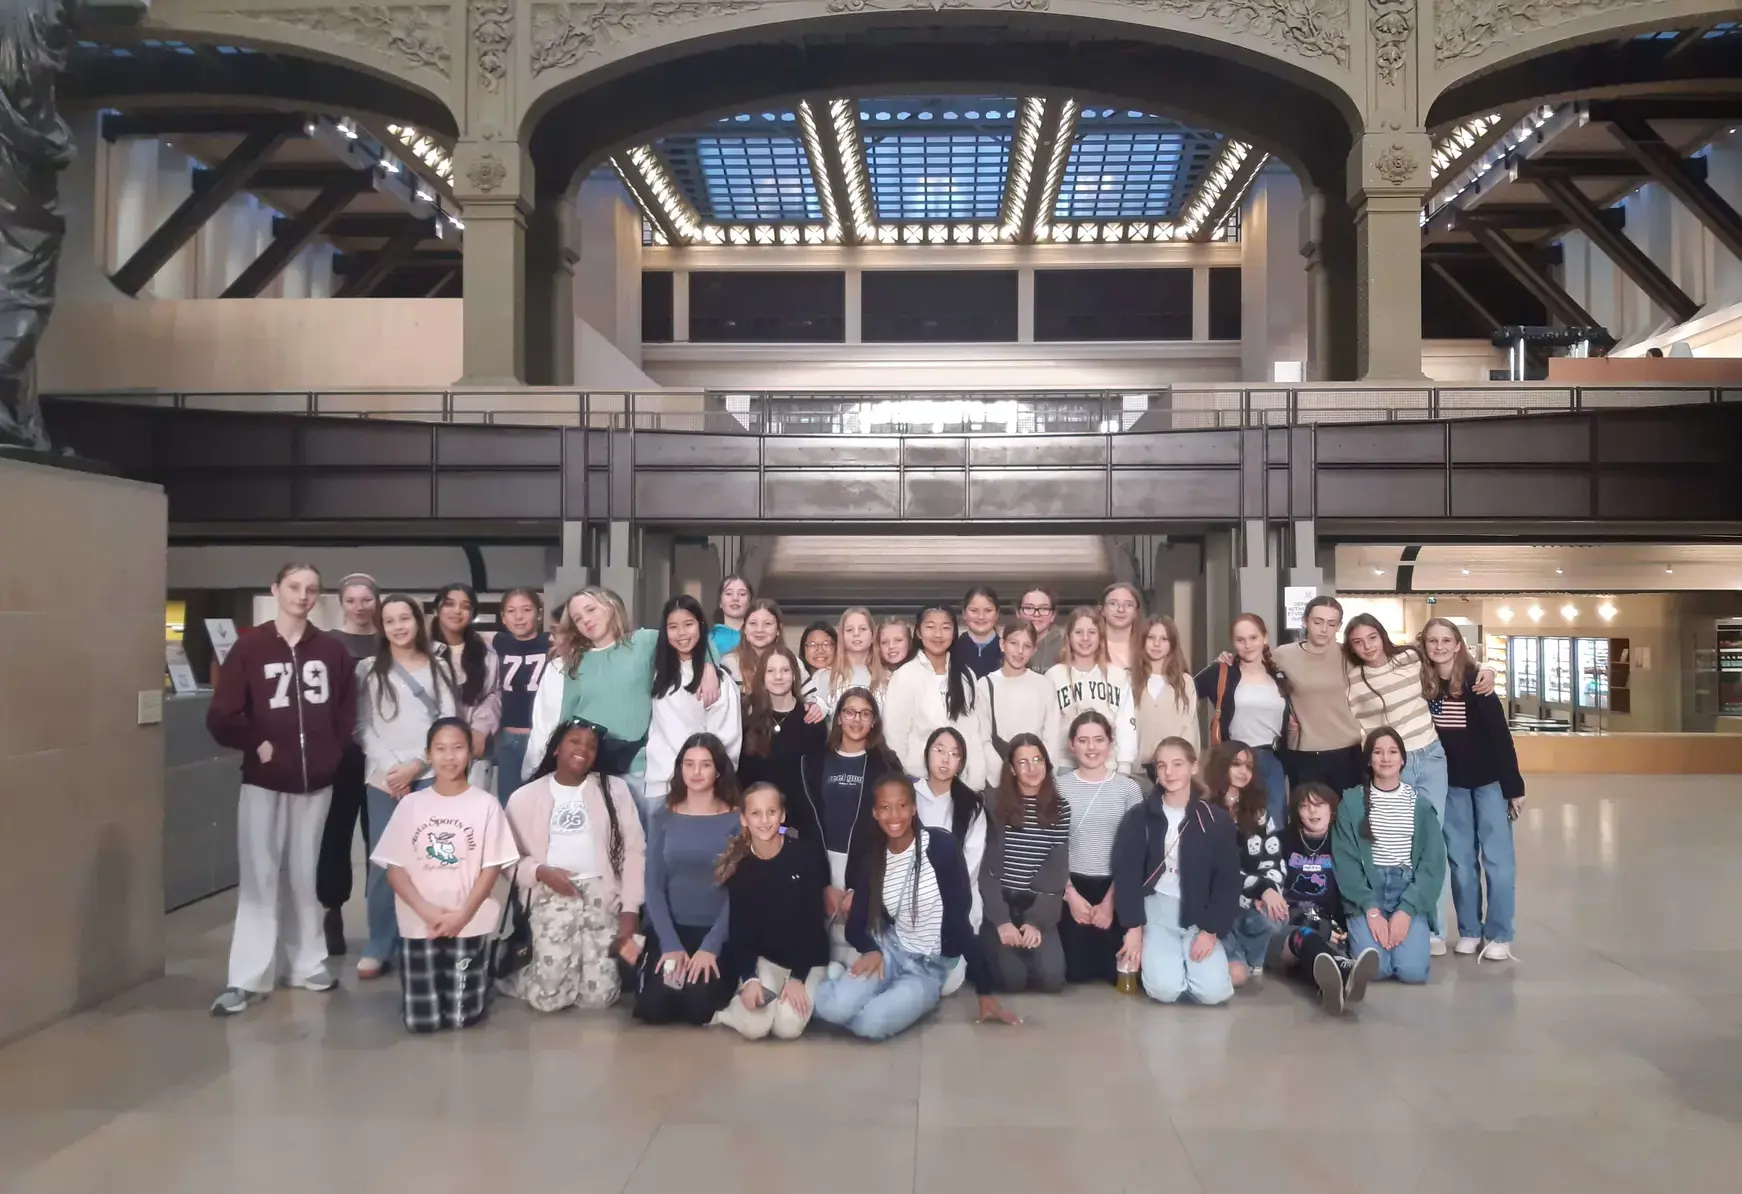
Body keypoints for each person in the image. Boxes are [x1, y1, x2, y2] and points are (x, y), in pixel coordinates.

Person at [207, 563, 359, 1016]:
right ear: (276, 590)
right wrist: (258, 743)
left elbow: (346, 711)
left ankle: (305, 962)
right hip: (265, 781)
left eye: (311, 589)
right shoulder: (250, 647)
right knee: (260, 876)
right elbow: (222, 714)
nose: (302, 595)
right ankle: (248, 975)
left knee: (303, 874)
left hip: (317, 783)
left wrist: (331, 753)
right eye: (294, 587)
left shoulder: (331, 650)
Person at [814, 776, 1020, 1039]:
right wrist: (871, 949)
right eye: (885, 808)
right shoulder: (873, 860)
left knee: (870, 1026)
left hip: (929, 969)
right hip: (891, 950)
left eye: (901, 806)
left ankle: (886, 995)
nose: (894, 816)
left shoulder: (941, 848)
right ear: (875, 813)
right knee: (834, 1010)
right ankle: (839, 982)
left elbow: (959, 922)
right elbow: (855, 926)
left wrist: (984, 992)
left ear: (913, 808)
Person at [370, 718, 520, 1032]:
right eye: (440, 749)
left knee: (461, 1018)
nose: (449, 757)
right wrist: (425, 911)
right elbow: (394, 869)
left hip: (467, 922)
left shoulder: (486, 805)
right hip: (419, 923)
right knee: (422, 1022)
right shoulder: (410, 805)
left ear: (470, 754)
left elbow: (491, 868)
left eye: (457, 748)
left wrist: (462, 914)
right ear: (428, 754)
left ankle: (475, 980)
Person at [524, 587, 720, 808]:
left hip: (639, 766)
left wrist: (709, 667)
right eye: (578, 618)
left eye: (590, 610)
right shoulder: (574, 662)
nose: (586, 620)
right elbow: (565, 719)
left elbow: (696, 640)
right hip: (593, 766)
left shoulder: (644, 642)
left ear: (610, 605)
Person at [502, 719, 646, 1012]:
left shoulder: (614, 789)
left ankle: (581, 970)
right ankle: (522, 975)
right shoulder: (525, 797)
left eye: (591, 746)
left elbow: (635, 851)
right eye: (575, 742)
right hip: (550, 893)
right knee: (548, 999)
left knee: (599, 999)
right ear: (557, 748)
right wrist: (541, 872)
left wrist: (630, 911)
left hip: (602, 894)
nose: (583, 750)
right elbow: (507, 859)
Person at [354, 594, 460, 980]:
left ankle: (424, 938)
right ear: (381, 627)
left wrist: (418, 765)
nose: (399, 626)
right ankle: (379, 944)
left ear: (418, 622)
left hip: (430, 778)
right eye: (390, 620)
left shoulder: (439, 667)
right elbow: (362, 726)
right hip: (383, 781)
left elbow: (449, 722)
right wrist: (392, 770)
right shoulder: (368, 670)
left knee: (431, 862)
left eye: (405, 618)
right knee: (385, 864)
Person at [1343, 613, 1452, 949]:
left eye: (1372, 638)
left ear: (1382, 635)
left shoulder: (1410, 657)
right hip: (1394, 764)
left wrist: (1486, 671)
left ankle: (1435, 927)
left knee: (1432, 843)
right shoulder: (1351, 677)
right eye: (1358, 642)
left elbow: (1450, 669)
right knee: (1402, 846)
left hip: (1431, 757)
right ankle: (1401, 918)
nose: (1366, 647)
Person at [1421, 617, 1524, 961]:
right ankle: (1469, 929)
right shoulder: (1423, 684)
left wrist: (1514, 786)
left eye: (1446, 640)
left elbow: (1501, 738)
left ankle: (1499, 935)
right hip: (1451, 787)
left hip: (1489, 784)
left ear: (1458, 644)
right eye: (1432, 641)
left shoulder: (1477, 683)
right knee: (1461, 862)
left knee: (1498, 861)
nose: (1439, 647)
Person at [1112, 736, 1239, 1006]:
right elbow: (1127, 875)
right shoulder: (1139, 817)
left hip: (1198, 916)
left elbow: (1227, 882)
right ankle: (1171, 963)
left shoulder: (1216, 819)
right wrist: (1134, 928)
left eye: (1177, 764)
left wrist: (1210, 931)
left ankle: (1217, 966)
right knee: (1165, 991)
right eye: (1162, 766)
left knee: (1213, 994)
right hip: (1157, 913)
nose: (1169, 773)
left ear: (1193, 767)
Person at [634, 734, 741, 1026]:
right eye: (689, 764)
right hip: (673, 932)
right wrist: (670, 943)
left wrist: (711, 946)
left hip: (717, 934)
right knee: (656, 1009)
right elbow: (653, 887)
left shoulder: (737, 820)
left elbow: (740, 893)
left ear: (718, 770)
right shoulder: (663, 817)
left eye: (705, 765)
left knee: (697, 1008)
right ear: (680, 768)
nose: (696, 772)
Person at [711, 783, 830, 1040]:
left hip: (807, 961)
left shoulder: (804, 855)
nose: (765, 820)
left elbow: (812, 924)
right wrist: (751, 978)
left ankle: (812, 985)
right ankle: (729, 1009)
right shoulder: (742, 868)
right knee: (756, 1028)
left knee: (787, 1028)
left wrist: (798, 977)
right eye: (756, 813)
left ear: (782, 815)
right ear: (744, 819)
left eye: (771, 812)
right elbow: (740, 930)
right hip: (766, 961)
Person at [1333, 727, 1447, 985]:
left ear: (1403, 759)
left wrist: (1406, 911)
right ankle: (1353, 938)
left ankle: (1406, 930)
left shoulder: (1420, 805)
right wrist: (1371, 910)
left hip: (1405, 890)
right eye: (1378, 752)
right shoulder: (1351, 803)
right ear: (1370, 760)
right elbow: (1346, 861)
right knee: (1377, 970)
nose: (1386, 758)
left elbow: (1433, 864)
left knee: (1412, 972)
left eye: (1393, 752)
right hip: (1368, 891)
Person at [796, 686, 900, 963]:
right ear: (839, 718)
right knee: (821, 957)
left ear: (874, 722)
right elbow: (802, 828)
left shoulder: (886, 764)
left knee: (858, 954)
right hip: (822, 863)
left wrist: (861, 887)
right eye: (850, 712)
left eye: (866, 714)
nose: (857, 720)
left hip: (867, 866)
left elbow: (893, 832)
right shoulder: (814, 762)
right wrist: (821, 884)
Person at [1271, 781, 1381, 1015]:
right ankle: (1346, 971)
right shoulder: (1280, 841)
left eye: (1319, 805)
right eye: (1304, 806)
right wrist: (1312, 924)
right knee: (1307, 937)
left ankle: (1332, 988)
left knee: (1321, 958)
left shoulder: (1343, 843)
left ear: (1332, 808)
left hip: (1331, 929)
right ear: (1296, 811)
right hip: (1287, 926)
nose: (1312, 811)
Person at [1056, 711, 1144, 984]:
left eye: (1098, 740)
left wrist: (1110, 902)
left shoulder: (1128, 789)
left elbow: (1135, 853)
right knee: (1074, 973)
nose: (1091, 748)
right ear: (1072, 745)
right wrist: (1070, 896)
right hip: (1072, 886)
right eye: (1083, 740)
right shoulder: (1058, 787)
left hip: (1115, 886)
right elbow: (1052, 848)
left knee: (1115, 972)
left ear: (1110, 743)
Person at [979, 734, 1071, 993]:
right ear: (1011, 769)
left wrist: (1036, 921)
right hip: (1001, 901)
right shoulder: (993, 804)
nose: (1032, 768)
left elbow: (1056, 872)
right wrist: (1001, 920)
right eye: (1023, 762)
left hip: (1037, 901)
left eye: (1037, 760)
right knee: (1012, 981)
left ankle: (1031, 949)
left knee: (1052, 980)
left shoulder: (1060, 808)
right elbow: (985, 869)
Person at [317, 572, 378, 957]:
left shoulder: (387, 640)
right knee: (335, 836)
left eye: (366, 599)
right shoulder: (328, 644)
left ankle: (381, 919)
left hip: (382, 755)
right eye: (352, 600)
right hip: (342, 754)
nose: (359, 607)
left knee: (381, 840)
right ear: (342, 602)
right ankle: (332, 909)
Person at [884, 603, 1000, 789]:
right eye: (930, 627)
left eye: (945, 627)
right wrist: (906, 783)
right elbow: (895, 738)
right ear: (919, 633)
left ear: (954, 633)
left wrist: (976, 783)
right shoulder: (905, 676)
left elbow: (973, 733)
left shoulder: (965, 675)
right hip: (918, 782)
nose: (938, 634)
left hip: (961, 782)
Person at [646, 595, 743, 812]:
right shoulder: (657, 674)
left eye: (688, 624)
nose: (681, 634)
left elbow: (727, 739)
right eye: (673, 627)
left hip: (702, 789)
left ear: (700, 626)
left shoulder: (719, 681)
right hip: (658, 785)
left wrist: (709, 780)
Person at [1195, 613, 1291, 824]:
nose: (1247, 645)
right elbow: (1185, 692)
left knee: (1274, 824)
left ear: (1264, 638)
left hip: (1271, 758)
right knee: (1235, 823)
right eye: (1240, 640)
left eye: (1253, 638)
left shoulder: (1278, 674)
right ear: (1233, 643)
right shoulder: (1222, 672)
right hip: (1235, 759)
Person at [1201, 740, 1283, 988]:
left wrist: (1269, 889)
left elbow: (1274, 862)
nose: (1243, 771)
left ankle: (1248, 958)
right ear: (1221, 766)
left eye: (1248, 766)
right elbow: (1215, 871)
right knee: (1237, 976)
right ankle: (1238, 960)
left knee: (1275, 914)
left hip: (1248, 907)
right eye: (1236, 764)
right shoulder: (1204, 811)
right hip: (1215, 910)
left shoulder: (1260, 812)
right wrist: (1260, 887)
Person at [914, 726, 989, 994]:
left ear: (961, 762)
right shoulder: (909, 796)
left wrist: (937, 894)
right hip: (910, 899)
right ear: (927, 754)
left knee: (944, 986)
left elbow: (971, 863)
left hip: (956, 902)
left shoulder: (971, 805)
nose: (945, 759)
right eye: (939, 751)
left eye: (954, 754)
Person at [1270, 596, 1365, 794]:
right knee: (1307, 816)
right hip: (1304, 752)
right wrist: (1225, 661)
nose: (1324, 629)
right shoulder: (1283, 655)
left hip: (1348, 749)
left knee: (1348, 818)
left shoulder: (1349, 654)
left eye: (1331, 623)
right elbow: (1253, 671)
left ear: (1338, 626)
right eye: (1317, 621)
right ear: (1305, 621)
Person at [1045, 607, 1138, 775]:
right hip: (1065, 764)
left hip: (1109, 764)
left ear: (1100, 637)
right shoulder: (1054, 676)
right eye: (1079, 632)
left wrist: (1124, 765)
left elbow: (1126, 723)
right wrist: (1051, 766)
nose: (1085, 638)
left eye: (1092, 632)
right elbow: (1049, 726)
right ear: (1069, 637)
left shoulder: (1117, 675)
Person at [738, 645, 829, 807]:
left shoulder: (811, 719)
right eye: (771, 671)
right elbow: (743, 775)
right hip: (757, 815)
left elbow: (816, 781)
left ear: (795, 675)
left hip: (799, 821)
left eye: (785, 670)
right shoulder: (747, 716)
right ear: (762, 676)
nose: (778, 677)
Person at [431, 582, 501, 789]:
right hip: (431, 751)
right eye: (449, 604)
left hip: (474, 750)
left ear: (472, 614)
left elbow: (493, 694)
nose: (457, 611)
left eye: (465, 606)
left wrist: (479, 730)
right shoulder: (421, 652)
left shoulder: (486, 653)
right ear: (437, 609)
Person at [491, 587, 550, 805]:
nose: (519, 617)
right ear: (503, 617)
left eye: (526, 610)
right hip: (507, 738)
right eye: (511, 611)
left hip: (542, 737)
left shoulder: (552, 643)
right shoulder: (498, 643)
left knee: (540, 804)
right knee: (509, 803)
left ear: (539, 614)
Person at [1132, 614, 1198, 778]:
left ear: (1172, 643)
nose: (1156, 644)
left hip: (1174, 770)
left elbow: (1190, 728)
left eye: (1164, 639)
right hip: (1137, 770)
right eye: (1151, 638)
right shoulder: (1129, 679)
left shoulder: (1184, 682)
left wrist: (1186, 765)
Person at [984, 621, 1058, 755]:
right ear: (1002, 645)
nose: (1020, 651)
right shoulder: (985, 685)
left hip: (1036, 766)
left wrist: (1039, 768)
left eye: (1027, 646)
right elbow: (983, 739)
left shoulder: (1043, 685)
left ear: (1034, 650)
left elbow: (1051, 737)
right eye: (1014, 643)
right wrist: (1002, 772)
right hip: (997, 767)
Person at [804, 606, 889, 715]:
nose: (856, 634)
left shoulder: (888, 679)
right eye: (849, 630)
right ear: (842, 637)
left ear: (872, 636)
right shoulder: (822, 677)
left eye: (862, 629)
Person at [724, 598, 785, 695]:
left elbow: (811, 699)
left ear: (778, 629)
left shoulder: (792, 663)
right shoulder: (728, 664)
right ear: (744, 628)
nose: (759, 630)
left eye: (767, 624)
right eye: (753, 623)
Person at [953, 585, 1004, 679]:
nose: (981, 617)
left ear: (997, 613)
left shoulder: (1007, 651)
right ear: (964, 613)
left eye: (988, 611)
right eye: (974, 610)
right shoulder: (953, 650)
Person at [1098, 582, 1144, 672]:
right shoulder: (1089, 646)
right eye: (1113, 604)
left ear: (1136, 612)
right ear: (1102, 610)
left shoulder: (1148, 647)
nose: (1121, 609)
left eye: (1128, 605)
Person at [1017, 587, 1064, 673]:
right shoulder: (1006, 646)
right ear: (1018, 613)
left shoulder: (1065, 648)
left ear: (1053, 615)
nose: (1036, 614)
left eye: (1044, 608)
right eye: (1029, 608)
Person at [710, 574, 753, 658]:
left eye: (742, 594)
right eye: (729, 593)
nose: (735, 598)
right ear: (720, 603)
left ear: (749, 603)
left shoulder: (757, 636)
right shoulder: (709, 638)